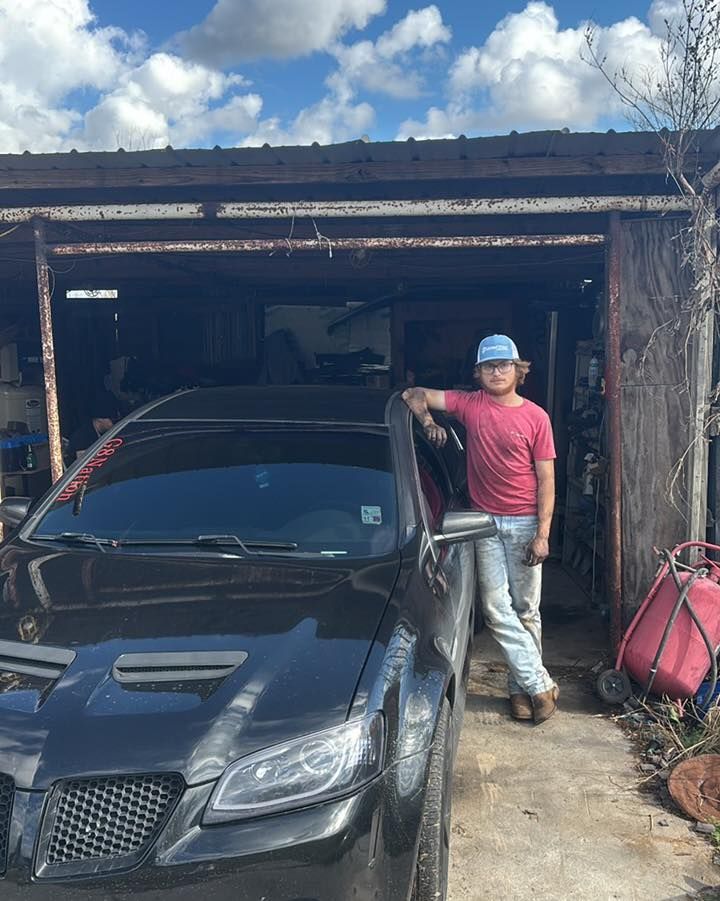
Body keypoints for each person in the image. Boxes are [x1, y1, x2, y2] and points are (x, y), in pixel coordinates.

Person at [402, 334, 559, 724]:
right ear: (479, 373)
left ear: (519, 370)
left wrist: (543, 533)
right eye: (489, 366)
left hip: (525, 522)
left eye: (505, 365)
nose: (497, 371)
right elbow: (413, 393)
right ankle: (540, 683)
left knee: (526, 609)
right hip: (485, 521)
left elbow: (547, 480)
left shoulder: (536, 417)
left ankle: (520, 690)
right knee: (494, 608)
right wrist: (428, 420)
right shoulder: (469, 404)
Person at [66, 393, 118, 462]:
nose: (114, 424)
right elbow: (84, 463)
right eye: (112, 420)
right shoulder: (82, 437)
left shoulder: (104, 433)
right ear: (100, 419)